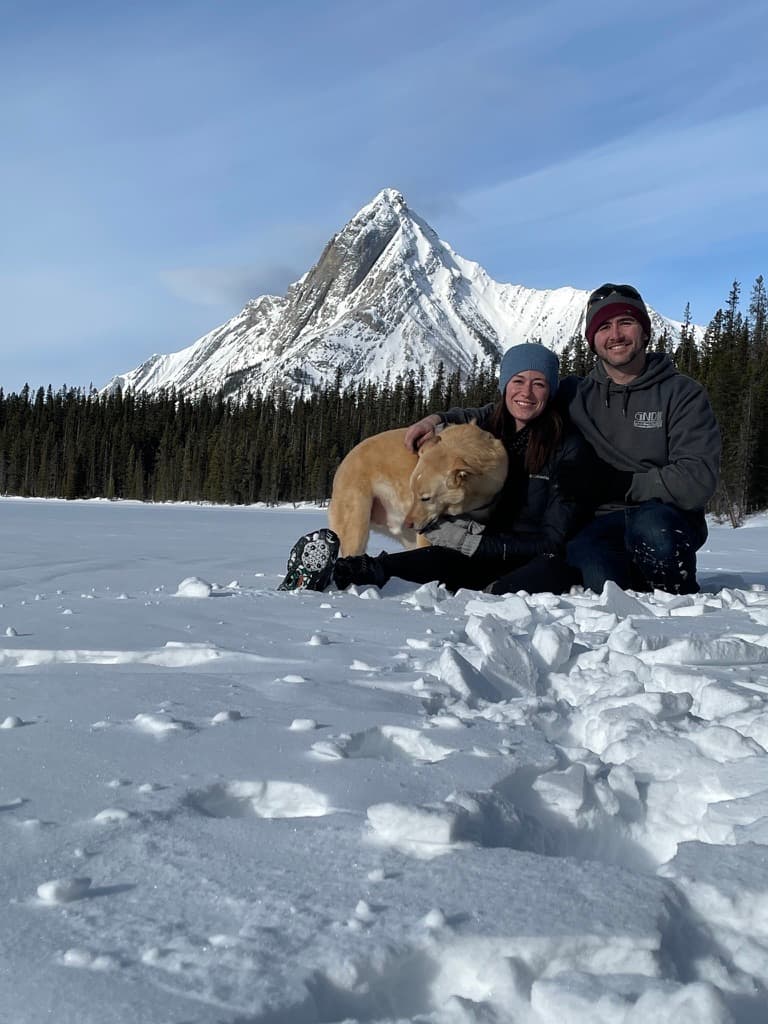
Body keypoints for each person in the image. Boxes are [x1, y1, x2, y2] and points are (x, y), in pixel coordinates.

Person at [404, 285, 721, 597]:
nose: (616, 335)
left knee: (656, 534)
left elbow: (697, 480)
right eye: (604, 326)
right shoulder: (575, 393)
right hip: (598, 522)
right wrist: (437, 420)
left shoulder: (682, 394)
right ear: (592, 340)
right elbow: (508, 409)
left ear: (645, 332)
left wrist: (617, 483)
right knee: (599, 578)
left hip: (664, 513)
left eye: (626, 322)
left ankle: (679, 606)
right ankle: (635, 588)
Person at [278, 344, 590, 595]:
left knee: (542, 573)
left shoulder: (568, 447)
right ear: (504, 385)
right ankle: (339, 572)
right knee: (408, 564)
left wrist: (475, 543)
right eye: (518, 381)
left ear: (550, 391)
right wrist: (433, 421)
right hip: (480, 551)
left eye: (539, 384)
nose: (527, 392)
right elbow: (463, 419)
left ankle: (490, 594)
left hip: (528, 556)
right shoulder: (489, 428)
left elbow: (553, 540)